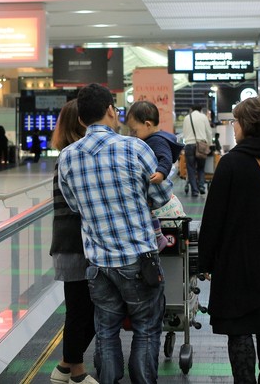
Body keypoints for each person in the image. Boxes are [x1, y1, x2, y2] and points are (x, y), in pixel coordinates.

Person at [58, 83, 172, 384]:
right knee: (146, 328)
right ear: (111, 110)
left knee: (106, 331)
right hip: (138, 260)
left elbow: (73, 204)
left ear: (81, 120)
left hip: (98, 264)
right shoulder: (135, 148)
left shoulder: (67, 157)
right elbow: (161, 197)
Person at [198, 96, 260, 384]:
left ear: (247, 125)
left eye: (236, 121)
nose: (233, 126)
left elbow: (213, 217)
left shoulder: (231, 164)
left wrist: (205, 261)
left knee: (239, 329)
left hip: (236, 263)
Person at [49, 100, 98, 384]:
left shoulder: (71, 154)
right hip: (74, 243)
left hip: (74, 242)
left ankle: (66, 367)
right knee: (81, 309)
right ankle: (76, 372)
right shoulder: (72, 156)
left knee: (84, 307)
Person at [124, 101, 186, 250]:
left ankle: (159, 238)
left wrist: (161, 173)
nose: (132, 135)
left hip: (163, 204)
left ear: (147, 124)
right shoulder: (156, 138)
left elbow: (165, 158)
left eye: (134, 131)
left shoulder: (156, 141)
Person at [181, 104, 212, 196]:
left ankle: (194, 190)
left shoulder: (187, 118)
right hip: (201, 144)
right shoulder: (203, 117)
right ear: (201, 109)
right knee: (201, 167)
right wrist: (209, 144)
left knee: (191, 168)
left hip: (189, 145)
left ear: (191, 109)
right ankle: (202, 186)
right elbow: (208, 132)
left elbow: (184, 132)